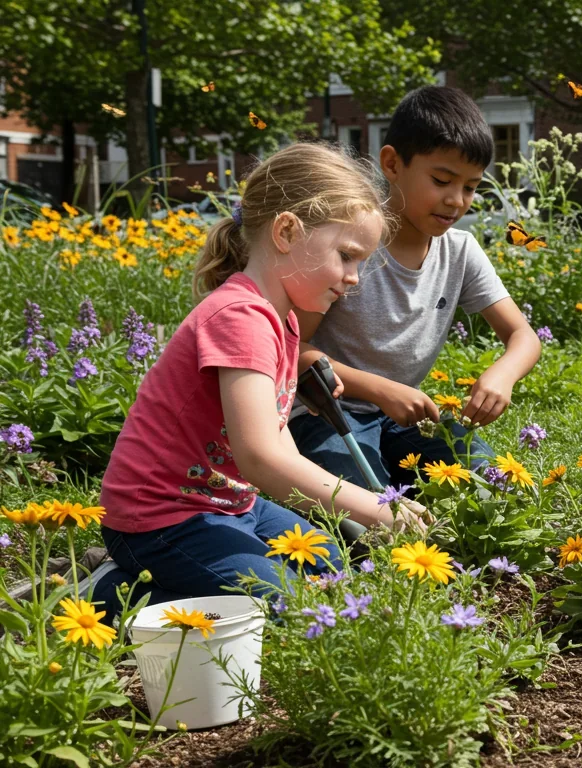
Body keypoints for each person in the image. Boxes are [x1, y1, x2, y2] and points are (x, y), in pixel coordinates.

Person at [92, 142, 425, 611]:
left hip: (230, 506)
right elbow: (259, 458)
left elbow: (277, 444)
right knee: (285, 602)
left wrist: (343, 507)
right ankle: (111, 592)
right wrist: (373, 507)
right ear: (287, 231)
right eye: (347, 255)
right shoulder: (240, 318)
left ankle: (161, 576)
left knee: (336, 572)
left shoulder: (281, 320)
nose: (354, 277)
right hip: (159, 518)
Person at [288, 86, 541, 489]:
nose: (456, 200)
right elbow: (291, 348)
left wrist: (503, 375)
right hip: (327, 414)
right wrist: (380, 390)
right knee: (359, 515)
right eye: (442, 180)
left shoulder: (460, 250)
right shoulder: (350, 246)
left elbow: (523, 335)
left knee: (498, 488)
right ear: (392, 164)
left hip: (405, 418)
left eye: (471, 187)